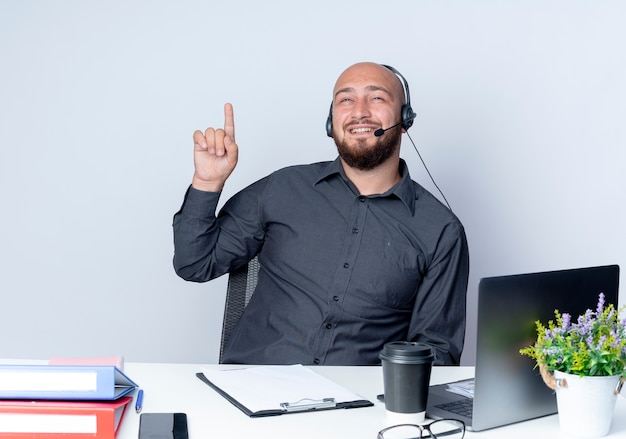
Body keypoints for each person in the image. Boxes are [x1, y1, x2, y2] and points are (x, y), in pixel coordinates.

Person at [173, 62, 469, 366]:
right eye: (345, 99)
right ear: (331, 122)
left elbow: (436, 352)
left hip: (357, 406)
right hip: (251, 390)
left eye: (377, 98)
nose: (359, 111)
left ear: (404, 119)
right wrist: (207, 184)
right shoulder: (282, 188)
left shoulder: (441, 231)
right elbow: (194, 264)